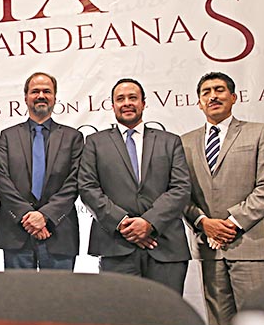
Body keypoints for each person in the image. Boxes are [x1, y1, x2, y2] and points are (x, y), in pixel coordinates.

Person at [181, 72, 264, 325]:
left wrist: (232, 222)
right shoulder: (184, 142)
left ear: (234, 97)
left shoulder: (260, 132)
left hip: (251, 245)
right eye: (206, 92)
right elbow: (181, 193)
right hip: (209, 247)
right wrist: (204, 223)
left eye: (219, 90)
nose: (213, 96)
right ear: (199, 102)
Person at [79, 78, 191, 293]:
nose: (127, 103)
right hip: (116, 246)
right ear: (112, 106)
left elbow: (180, 188)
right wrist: (123, 223)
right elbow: (88, 188)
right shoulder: (95, 142)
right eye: (120, 99)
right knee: (123, 322)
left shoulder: (170, 141)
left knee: (167, 321)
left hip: (165, 245)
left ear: (143, 103)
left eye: (133, 97)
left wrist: (149, 223)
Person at [0, 72, 83, 270]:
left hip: (58, 231)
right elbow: (2, 181)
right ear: (25, 97)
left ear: (54, 98)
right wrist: (28, 216)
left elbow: (74, 182)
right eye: (35, 91)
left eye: (46, 91)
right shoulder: (8, 136)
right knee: (18, 299)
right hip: (16, 231)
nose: (41, 95)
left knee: (58, 299)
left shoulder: (73, 137)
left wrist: (45, 217)